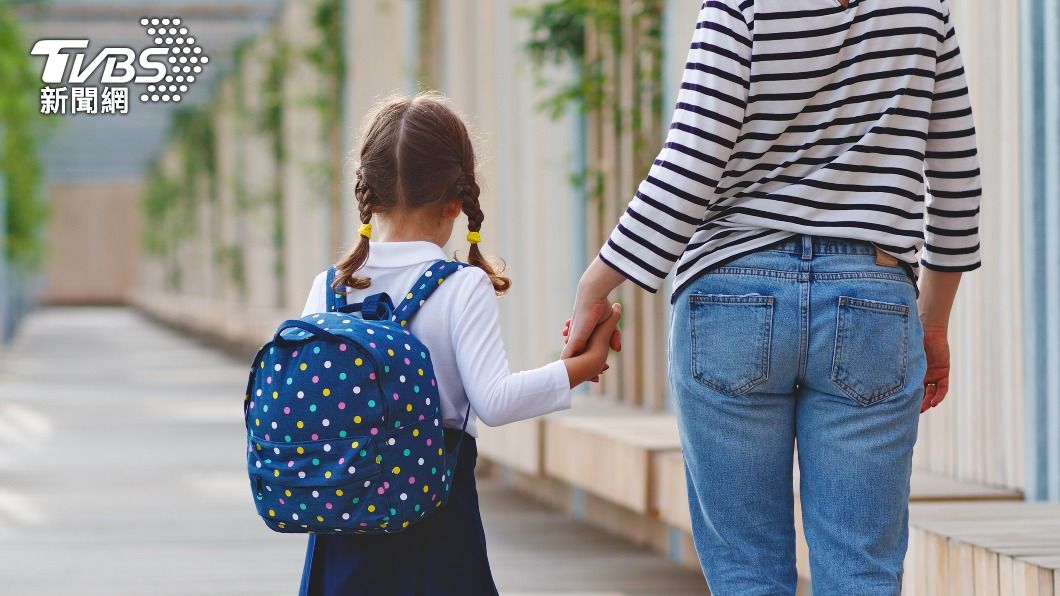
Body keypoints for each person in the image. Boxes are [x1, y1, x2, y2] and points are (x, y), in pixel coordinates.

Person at [562, 1, 981, 594]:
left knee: (745, 573)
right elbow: (957, 179)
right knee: (862, 570)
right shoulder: (924, 10)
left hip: (731, 294)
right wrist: (933, 323)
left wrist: (597, 283)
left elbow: (692, 157)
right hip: (873, 300)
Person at [297, 93, 620, 596]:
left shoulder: (329, 288)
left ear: (370, 191)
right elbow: (494, 401)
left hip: (343, 526)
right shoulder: (458, 284)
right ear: (456, 199)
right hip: (434, 521)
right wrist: (579, 366)